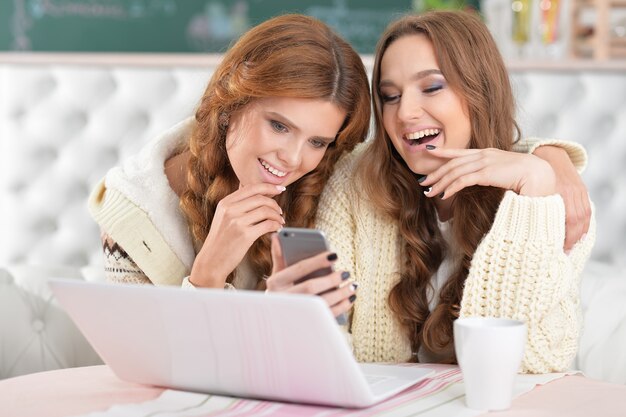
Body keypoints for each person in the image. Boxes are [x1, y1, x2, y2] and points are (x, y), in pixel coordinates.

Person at [309, 10, 595, 373]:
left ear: (480, 91)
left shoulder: (553, 195)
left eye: (431, 87)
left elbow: (532, 361)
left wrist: (536, 188)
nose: (405, 113)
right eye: (389, 96)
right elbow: (327, 338)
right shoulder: (355, 180)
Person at [88, 14, 371, 318]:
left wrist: (279, 313)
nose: (292, 158)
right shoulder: (134, 209)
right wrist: (208, 274)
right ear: (231, 103)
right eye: (279, 126)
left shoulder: (332, 186)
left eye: (317, 142)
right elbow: (141, 357)